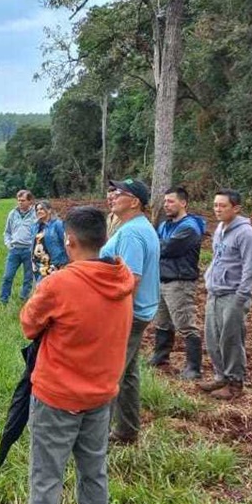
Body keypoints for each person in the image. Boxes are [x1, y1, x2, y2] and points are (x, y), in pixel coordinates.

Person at [20, 206, 134, 504]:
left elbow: (29, 325)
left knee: (46, 478)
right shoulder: (121, 277)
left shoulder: (59, 284)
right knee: (94, 472)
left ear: (69, 241)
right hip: (101, 395)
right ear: (104, 238)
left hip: (57, 397)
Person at [100, 178, 160, 445]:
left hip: (129, 313)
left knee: (110, 374)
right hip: (140, 312)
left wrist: (115, 317)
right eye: (112, 192)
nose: (112, 196)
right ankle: (127, 429)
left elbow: (130, 281)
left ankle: (95, 440)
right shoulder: (137, 227)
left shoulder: (132, 233)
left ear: (135, 202)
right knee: (129, 372)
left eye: (119, 193)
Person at [199, 189, 252, 400]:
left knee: (231, 340)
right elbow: (217, 258)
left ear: (236, 208)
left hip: (234, 295)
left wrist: (241, 297)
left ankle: (235, 383)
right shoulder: (219, 229)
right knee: (213, 337)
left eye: (222, 206)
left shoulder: (246, 234)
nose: (217, 209)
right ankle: (221, 377)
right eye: (215, 205)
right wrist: (209, 279)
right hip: (215, 292)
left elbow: (251, 269)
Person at [151, 187, 207, 380]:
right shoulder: (165, 225)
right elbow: (158, 245)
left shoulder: (189, 227)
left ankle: (193, 367)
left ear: (183, 203)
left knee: (185, 324)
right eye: (165, 201)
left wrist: (155, 246)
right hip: (162, 279)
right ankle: (160, 356)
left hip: (180, 282)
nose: (166, 205)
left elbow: (166, 248)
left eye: (171, 201)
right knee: (162, 322)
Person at [1, 190, 37, 303]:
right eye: (19, 200)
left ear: (30, 201)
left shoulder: (35, 214)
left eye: (23, 200)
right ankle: (4, 299)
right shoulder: (13, 214)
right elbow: (7, 232)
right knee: (7, 276)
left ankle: (24, 298)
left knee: (28, 277)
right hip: (15, 250)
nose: (20, 203)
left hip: (29, 250)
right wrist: (8, 243)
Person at [31, 200, 68, 283]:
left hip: (54, 264)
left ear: (49, 210)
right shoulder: (35, 226)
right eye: (37, 210)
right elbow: (34, 244)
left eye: (42, 209)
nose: (39, 211)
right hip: (39, 264)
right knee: (40, 289)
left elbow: (66, 243)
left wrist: (64, 262)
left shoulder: (57, 224)